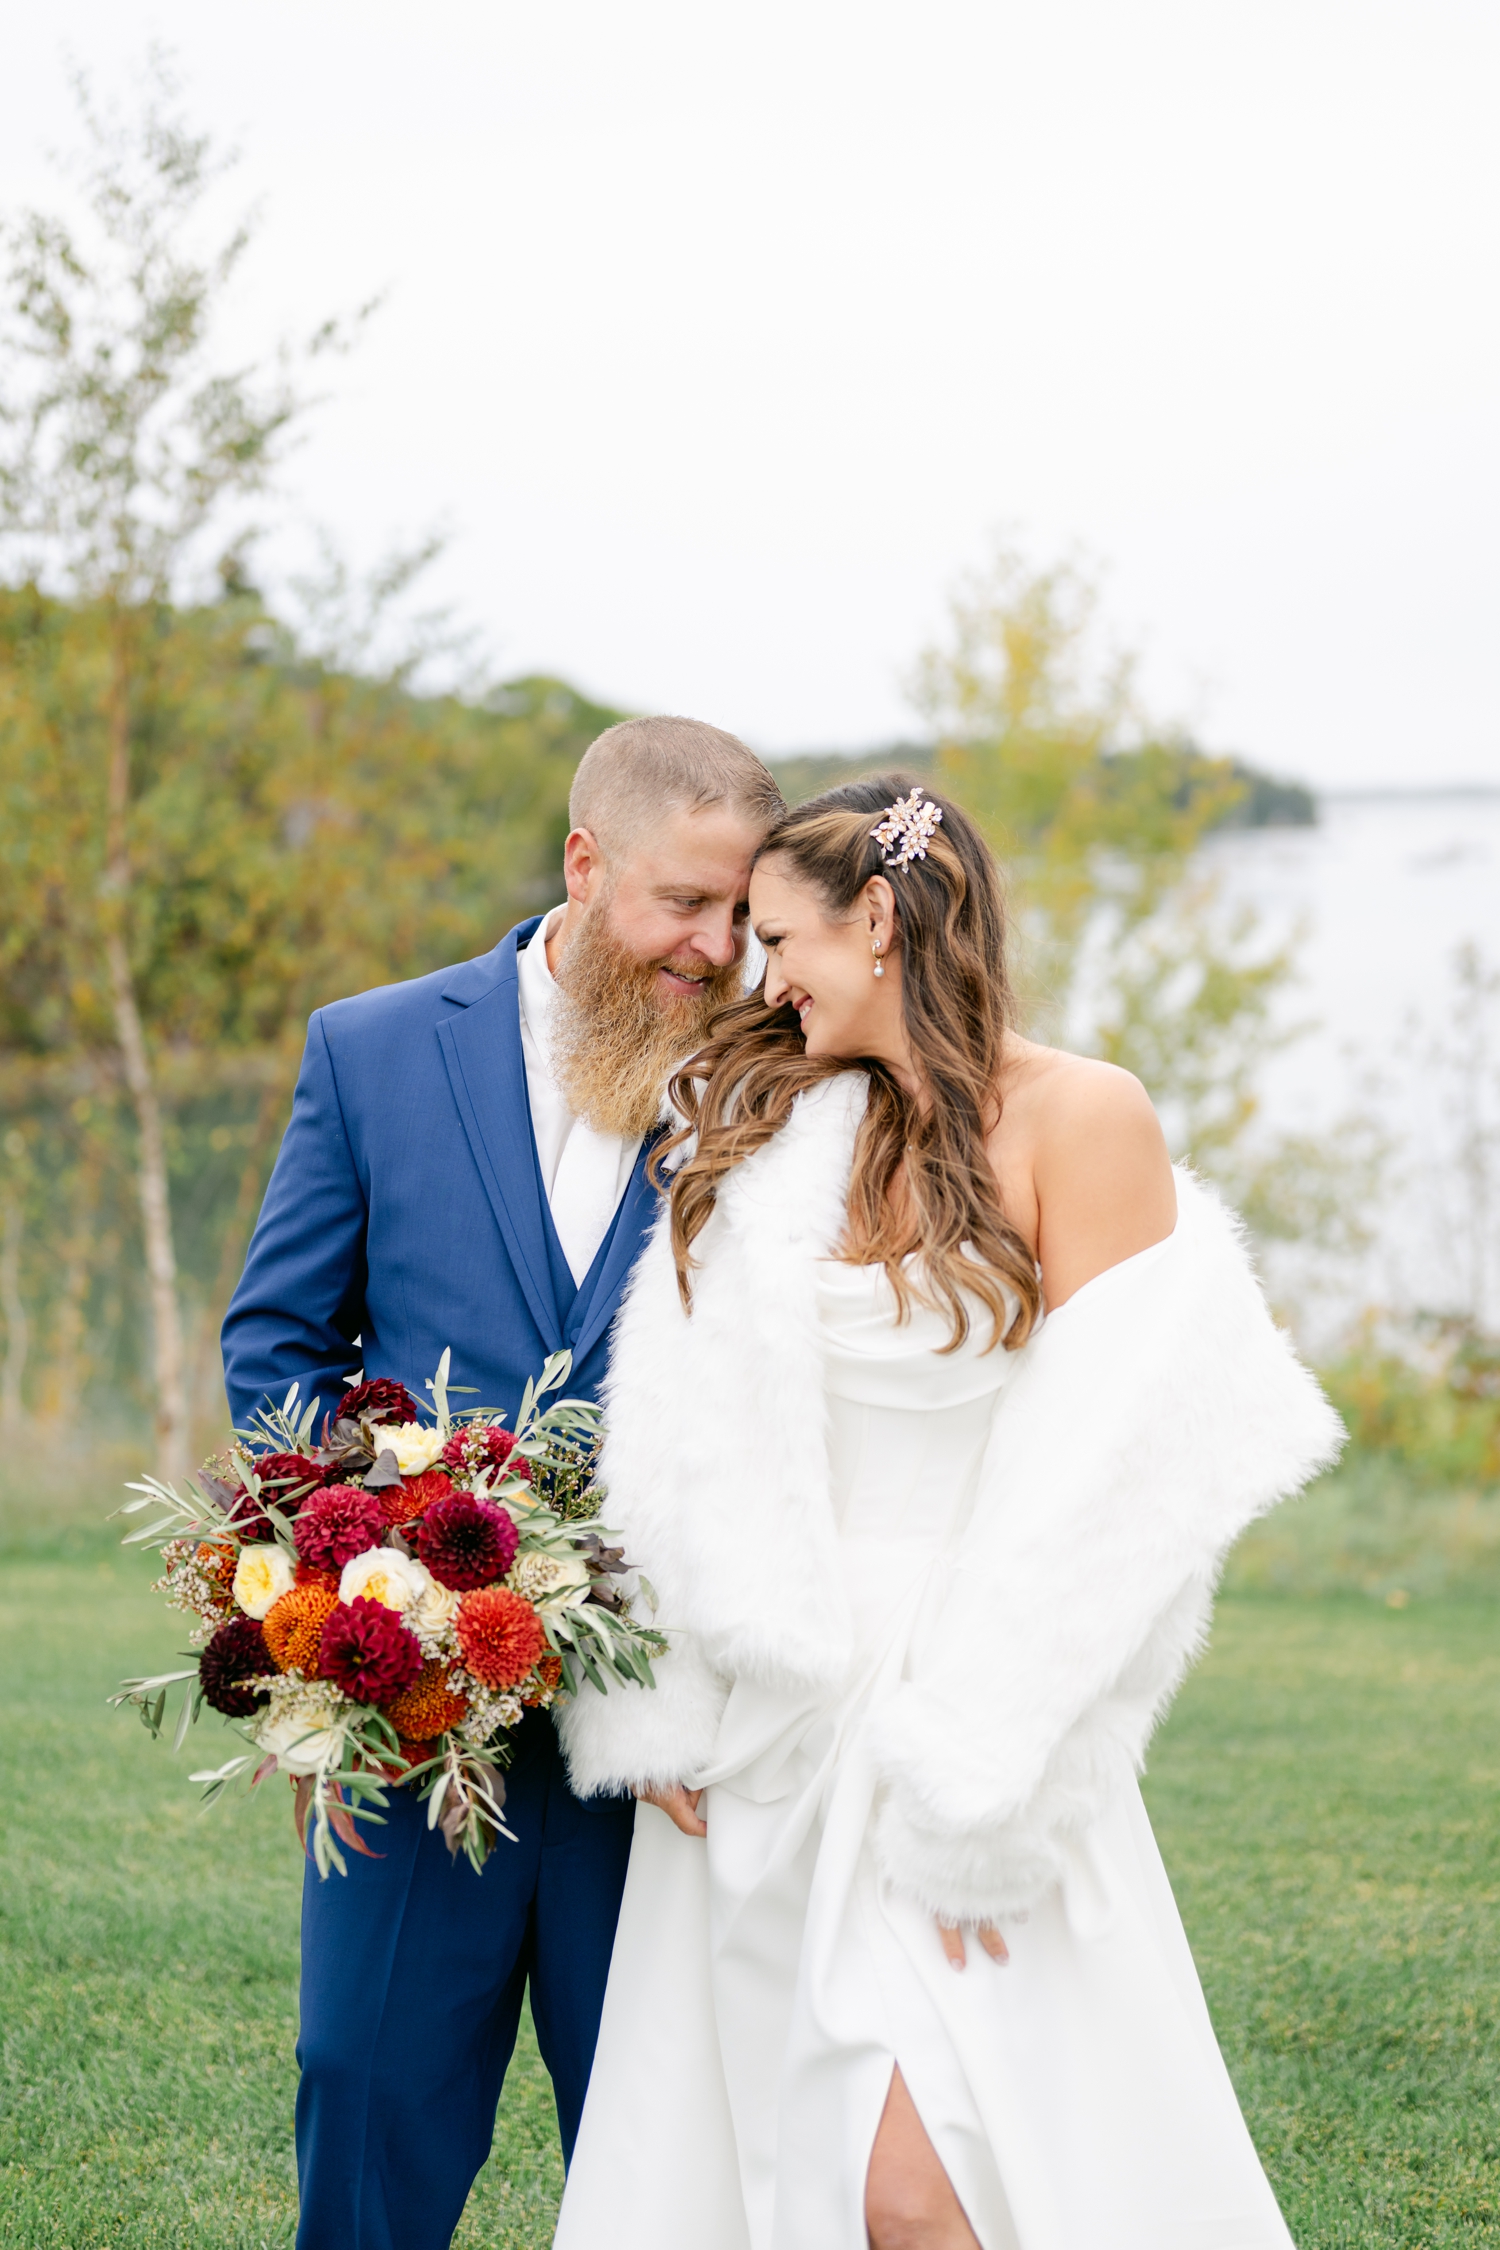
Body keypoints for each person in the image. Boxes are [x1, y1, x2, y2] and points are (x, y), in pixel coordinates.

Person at [554, 776, 1343, 2250]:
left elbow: (1128, 1471)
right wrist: (655, 1689)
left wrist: (997, 1767)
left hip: (969, 1706)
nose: (756, 972)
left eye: (780, 934)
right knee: (772, 2170)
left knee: (919, 2188)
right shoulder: (777, 1130)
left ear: (878, 920)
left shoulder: (1085, 1115)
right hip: (776, 1711)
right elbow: (684, 1436)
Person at [220, 715, 784, 2250]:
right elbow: (279, 1340)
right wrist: (357, 1570)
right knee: (364, 2078)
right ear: (583, 862)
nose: (716, 946)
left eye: (742, 912)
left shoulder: (782, 1080)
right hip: (416, 1722)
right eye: (685, 903)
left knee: (666, 2127)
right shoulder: (372, 1044)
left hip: (669, 1741)